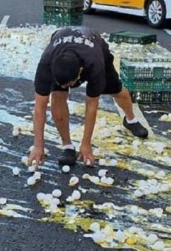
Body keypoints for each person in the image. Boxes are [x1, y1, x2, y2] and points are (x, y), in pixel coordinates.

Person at [29, 27, 149, 168]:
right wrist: (38, 146)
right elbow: (39, 107)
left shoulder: (95, 63)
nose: (69, 87)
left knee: (116, 90)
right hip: (61, 47)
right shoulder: (46, 64)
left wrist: (86, 144)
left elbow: (91, 104)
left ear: (80, 72)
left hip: (94, 44)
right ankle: (67, 146)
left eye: (70, 84)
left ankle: (131, 119)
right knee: (58, 95)